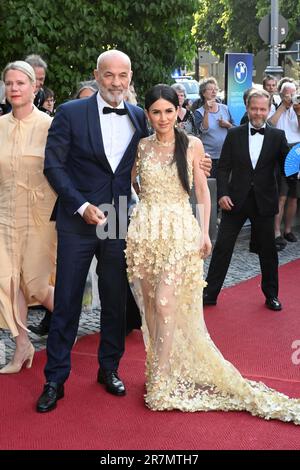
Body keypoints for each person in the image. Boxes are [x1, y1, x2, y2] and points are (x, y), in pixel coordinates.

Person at [125, 84, 300, 424]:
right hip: (146, 234)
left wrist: (204, 232)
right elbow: (133, 184)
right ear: (148, 115)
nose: (162, 118)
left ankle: (160, 382)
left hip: (179, 232)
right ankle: (158, 371)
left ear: (179, 112)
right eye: (156, 112)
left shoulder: (191, 145)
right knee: (151, 307)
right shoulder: (142, 147)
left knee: (165, 303)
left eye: (168, 111)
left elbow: (203, 193)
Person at [35, 49, 150, 413]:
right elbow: (53, 166)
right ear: (97, 75)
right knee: (67, 300)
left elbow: (148, 162)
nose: (117, 82)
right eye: (109, 75)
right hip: (77, 219)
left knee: (115, 300)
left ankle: (109, 368)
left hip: (116, 217)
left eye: (123, 75)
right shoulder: (70, 112)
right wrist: (81, 206)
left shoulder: (137, 117)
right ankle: (55, 379)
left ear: (130, 77)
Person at [203, 89, 290, 312]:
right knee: (222, 247)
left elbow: (286, 168)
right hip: (235, 201)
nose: (258, 113)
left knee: (268, 251)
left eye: (262, 109)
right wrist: (222, 194)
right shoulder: (234, 134)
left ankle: (271, 295)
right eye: (254, 108)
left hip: (264, 202)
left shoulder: (278, 137)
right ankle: (209, 293)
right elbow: (223, 169)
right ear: (248, 109)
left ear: (269, 109)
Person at [0, 61, 56, 373]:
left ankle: (65, 322)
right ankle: (22, 346)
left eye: (20, 83)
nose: (14, 89)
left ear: (34, 87)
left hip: (40, 216)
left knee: (35, 284)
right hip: (5, 214)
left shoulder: (50, 125)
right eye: (9, 83)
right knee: (8, 284)